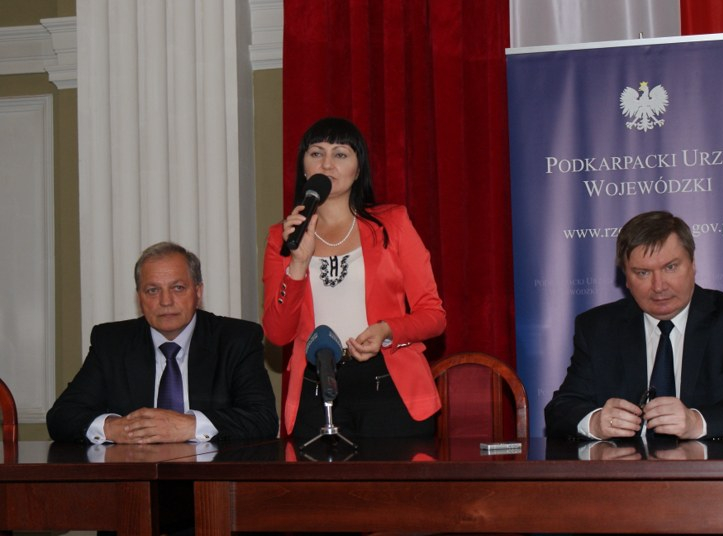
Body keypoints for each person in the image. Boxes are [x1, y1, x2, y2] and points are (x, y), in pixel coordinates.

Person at [262, 117, 446, 438]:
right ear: (304, 168)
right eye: (316, 153)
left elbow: (434, 315)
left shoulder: (393, 224)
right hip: (316, 387)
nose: (327, 164)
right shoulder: (283, 236)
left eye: (340, 154)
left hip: (389, 384)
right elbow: (278, 335)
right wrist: (298, 264)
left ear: (358, 169)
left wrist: (387, 330)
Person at [544, 210, 723, 440]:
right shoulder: (598, 327)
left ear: (692, 265)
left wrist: (697, 422)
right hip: (627, 468)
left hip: (711, 468)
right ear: (626, 277)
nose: (659, 286)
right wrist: (595, 422)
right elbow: (560, 410)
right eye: (642, 273)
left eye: (670, 267)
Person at [47, 241, 279, 444]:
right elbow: (61, 417)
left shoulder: (236, 339)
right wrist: (113, 428)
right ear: (139, 297)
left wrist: (189, 426)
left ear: (198, 292)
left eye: (178, 288)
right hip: (134, 472)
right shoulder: (112, 343)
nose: (165, 301)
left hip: (211, 473)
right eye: (152, 290)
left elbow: (262, 419)